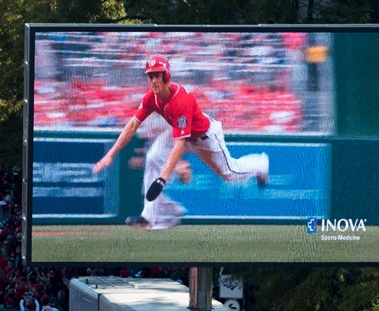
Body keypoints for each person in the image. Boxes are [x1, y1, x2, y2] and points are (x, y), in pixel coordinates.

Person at [91, 55, 270, 230]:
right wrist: (110, 155)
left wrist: (163, 178)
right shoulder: (150, 98)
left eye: (157, 75)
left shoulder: (180, 100)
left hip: (205, 136)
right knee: (153, 156)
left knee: (229, 173)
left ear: (166, 76)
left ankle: (260, 164)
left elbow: (179, 145)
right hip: (181, 133)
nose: (153, 80)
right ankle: (148, 217)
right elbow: (131, 126)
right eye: (150, 76)